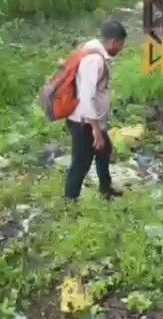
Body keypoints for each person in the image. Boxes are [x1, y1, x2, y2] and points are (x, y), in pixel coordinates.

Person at [64, 20, 128, 201]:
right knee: (81, 163)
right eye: (121, 45)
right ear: (114, 42)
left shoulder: (93, 50)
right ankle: (70, 201)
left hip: (89, 120)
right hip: (83, 122)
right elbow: (86, 97)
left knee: (104, 149)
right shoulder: (94, 61)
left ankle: (105, 188)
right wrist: (96, 130)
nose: (121, 49)